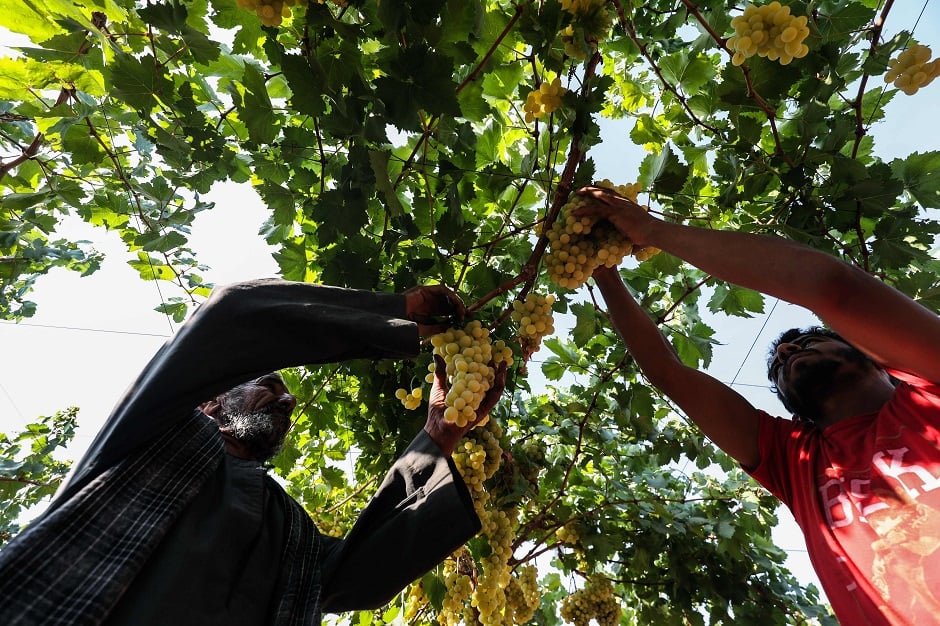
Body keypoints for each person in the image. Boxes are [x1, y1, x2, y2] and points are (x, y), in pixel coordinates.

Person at [0, 279, 506, 626]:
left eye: (287, 397)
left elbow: (358, 577)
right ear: (211, 398)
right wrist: (393, 311)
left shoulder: (289, 526)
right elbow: (228, 318)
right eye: (268, 382)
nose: (284, 399)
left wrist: (440, 435)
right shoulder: (152, 428)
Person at [575, 185, 940, 625]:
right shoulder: (800, 462)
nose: (787, 354)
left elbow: (833, 288)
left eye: (807, 340)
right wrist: (603, 270)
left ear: (879, 360)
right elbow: (669, 373)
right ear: (794, 411)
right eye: (779, 365)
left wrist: (652, 230)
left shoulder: (929, 386)